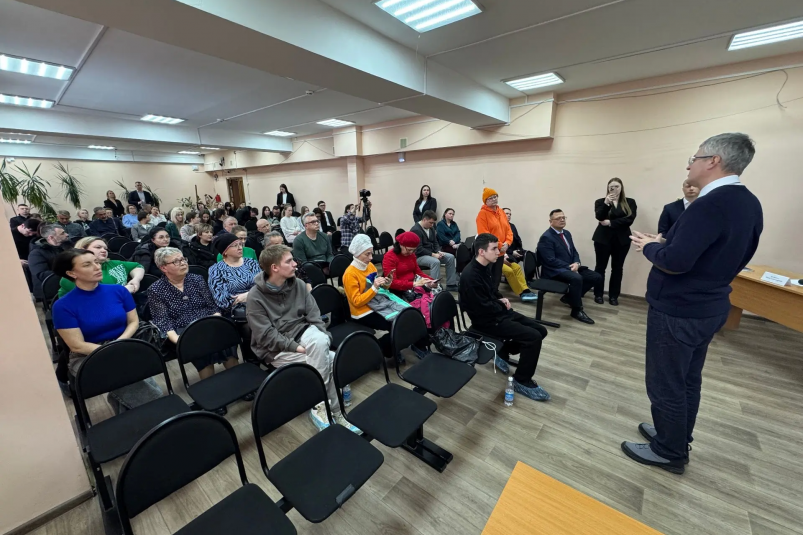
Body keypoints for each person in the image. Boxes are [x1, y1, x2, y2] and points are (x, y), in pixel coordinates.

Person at [622, 133, 763, 474]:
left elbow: (676, 262)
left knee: (666, 382)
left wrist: (650, 247)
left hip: (679, 310)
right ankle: (676, 434)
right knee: (687, 379)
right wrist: (665, 243)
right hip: (709, 305)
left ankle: (669, 451)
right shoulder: (748, 202)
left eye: (695, 158)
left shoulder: (709, 204)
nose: (689, 165)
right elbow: (719, 253)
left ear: (714, 161)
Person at [247, 244, 360, 432]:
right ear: (275, 268)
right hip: (275, 349)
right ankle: (332, 410)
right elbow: (265, 335)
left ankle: (322, 406)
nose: (295, 264)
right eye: (289, 261)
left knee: (321, 342)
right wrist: (296, 347)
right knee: (331, 359)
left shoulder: (298, 284)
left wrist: (324, 335)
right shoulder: (255, 296)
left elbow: (315, 316)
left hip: (303, 333)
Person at [52, 249, 161, 413]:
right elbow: (77, 345)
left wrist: (119, 343)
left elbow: (133, 322)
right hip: (87, 355)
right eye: (87, 265)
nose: (97, 267)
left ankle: (135, 417)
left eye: (96, 262)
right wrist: (112, 350)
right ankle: (156, 408)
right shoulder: (63, 306)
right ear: (71, 273)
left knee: (128, 370)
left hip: (124, 342)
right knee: (125, 371)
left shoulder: (118, 291)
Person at [459, 233, 550, 401]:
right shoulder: (470, 275)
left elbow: (491, 292)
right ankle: (521, 380)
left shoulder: (484, 266)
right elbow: (481, 308)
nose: (498, 252)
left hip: (496, 313)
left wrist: (500, 299)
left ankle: (503, 351)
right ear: (481, 251)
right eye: (494, 249)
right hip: (486, 321)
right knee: (533, 337)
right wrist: (500, 304)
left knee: (541, 330)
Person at [148, 247, 239, 394]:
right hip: (183, 330)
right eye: (176, 261)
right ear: (164, 267)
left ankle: (237, 382)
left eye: (183, 259)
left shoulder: (196, 279)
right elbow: (163, 321)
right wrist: (179, 340)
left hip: (208, 322)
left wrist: (218, 324)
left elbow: (212, 307)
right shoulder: (156, 289)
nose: (183, 263)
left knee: (225, 340)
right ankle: (210, 391)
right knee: (201, 348)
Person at [537, 209, 603, 324]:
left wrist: (577, 263)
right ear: (550, 221)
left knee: (596, 277)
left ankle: (568, 298)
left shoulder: (566, 233)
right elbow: (550, 260)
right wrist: (570, 267)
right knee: (577, 278)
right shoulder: (546, 237)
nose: (562, 220)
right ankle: (576, 310)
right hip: (554, 271)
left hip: (569, 267)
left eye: (563, 217)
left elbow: (574, 252)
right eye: (558, 218)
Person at [207, 233, 260, 364]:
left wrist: (249, 295)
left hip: (258, 302)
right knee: (250, 325)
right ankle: (253, 362)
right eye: (235, 245)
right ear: (225, 251)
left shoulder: (251, 263)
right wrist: (251, 294)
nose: (240, 247)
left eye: (240, 244)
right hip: (235, 311)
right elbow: (221, 299)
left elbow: (263, 286)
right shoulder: (216, 270)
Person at [342, 234, 394, 358]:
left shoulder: (370, 266)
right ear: (357, 254)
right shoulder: (350, 274)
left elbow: (377, 290)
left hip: (375, 304)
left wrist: (386, 284)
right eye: (367, 254)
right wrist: (374, 287)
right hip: (362, 312)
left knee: (402, 317)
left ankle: (389, 347)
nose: (371, 257)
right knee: (394, 324)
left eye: (371, 253)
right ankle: (378, 350)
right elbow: (356, 302)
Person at [593, 177, 637, 306]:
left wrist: (610, 222)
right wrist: (606, 203)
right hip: (602, 239)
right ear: (608, 188)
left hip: (622, 240)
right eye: (611, 187)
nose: (614, 189)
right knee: (600, 267)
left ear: (621, 187)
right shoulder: (600, 201)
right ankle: (598, 294)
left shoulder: (629, 202)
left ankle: (613, 296)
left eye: (617, 186)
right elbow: (599, 217)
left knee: (617, 269)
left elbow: (629, 219)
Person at [58, 237, 145, 298]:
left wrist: (136, 279)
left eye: (105, 248)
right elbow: (97, 299)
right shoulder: (74, 275)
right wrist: (124, 290)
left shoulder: (111, 263)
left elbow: (137, 266)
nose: (104, 250)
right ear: (82, 249)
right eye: (98, 247)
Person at [411, 211, 459, 291]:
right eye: (430, 223)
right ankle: (435, 287)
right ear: (424, 219)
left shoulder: (431, 228)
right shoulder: (416, 230)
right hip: (419, 256)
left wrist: (439, 251)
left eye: (433, 223)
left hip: (431, 253)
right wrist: (433, 255)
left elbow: (435, 242)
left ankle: (451, 284)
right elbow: (419, 249)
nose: (432, 225)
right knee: (435, 262)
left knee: (450, 257)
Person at [476, 188, 512, 292]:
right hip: (489, 252)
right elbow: (484, 234)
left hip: (501, 252)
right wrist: (500, 245)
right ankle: (486, 297)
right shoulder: (482, 214)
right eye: (490, 198)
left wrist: (507, 243)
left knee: (497, 277)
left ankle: (494, 295)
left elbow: (508, 230)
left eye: (495, 197)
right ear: (485, 201)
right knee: (487, 277)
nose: (494, 199)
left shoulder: (501, 212)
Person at [28, 224, 71, 300]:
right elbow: (42, 275)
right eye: (62, 233)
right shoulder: (36, 253)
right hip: (50, 292)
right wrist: (68, 272)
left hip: (67, 285)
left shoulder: (66, 247)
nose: (67, 234)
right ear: (51, 237)